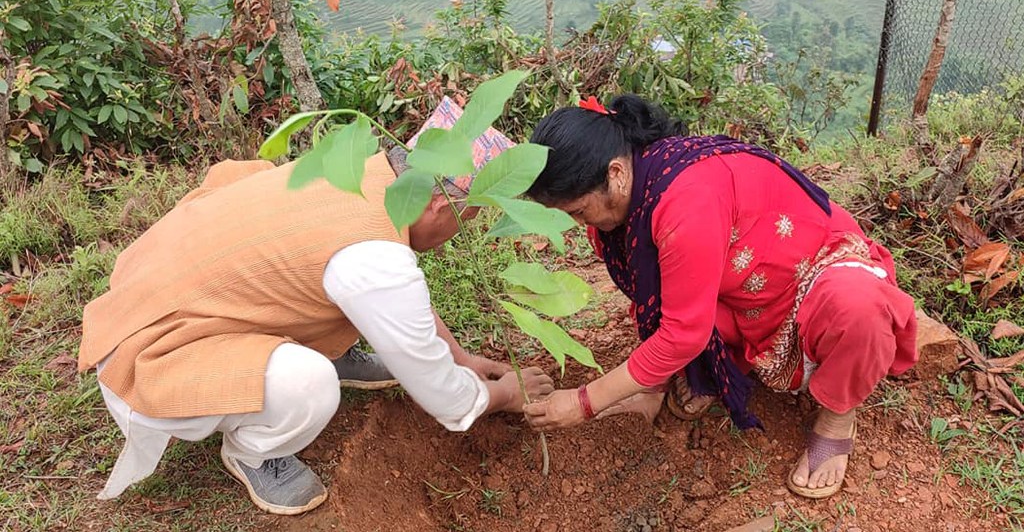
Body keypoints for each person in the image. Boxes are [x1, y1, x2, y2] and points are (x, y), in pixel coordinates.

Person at [77, 97, 553, 516]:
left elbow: (389, 298)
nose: (458, 237)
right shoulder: (374, 260)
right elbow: (448, 402)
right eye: (465, 219)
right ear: (439, 207)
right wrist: (506, 395)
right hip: (152, 348)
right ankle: (255, 452)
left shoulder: (357, 173)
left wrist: (461, 359)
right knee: (311, 386)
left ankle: (322, 351)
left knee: (318, 282)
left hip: (161, 288)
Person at [521, 94, 917, 499]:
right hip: (743, 288)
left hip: (813, 275)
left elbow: (680, 333)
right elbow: (653, 296)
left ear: (617, 173)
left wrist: (583, 402)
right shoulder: (626, 202)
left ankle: (837, 415)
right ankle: (701, 369)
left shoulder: (683, 203)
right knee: (676, 301)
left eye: (578, 211)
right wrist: (649, 383)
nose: (576, 224)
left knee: (858, 311)